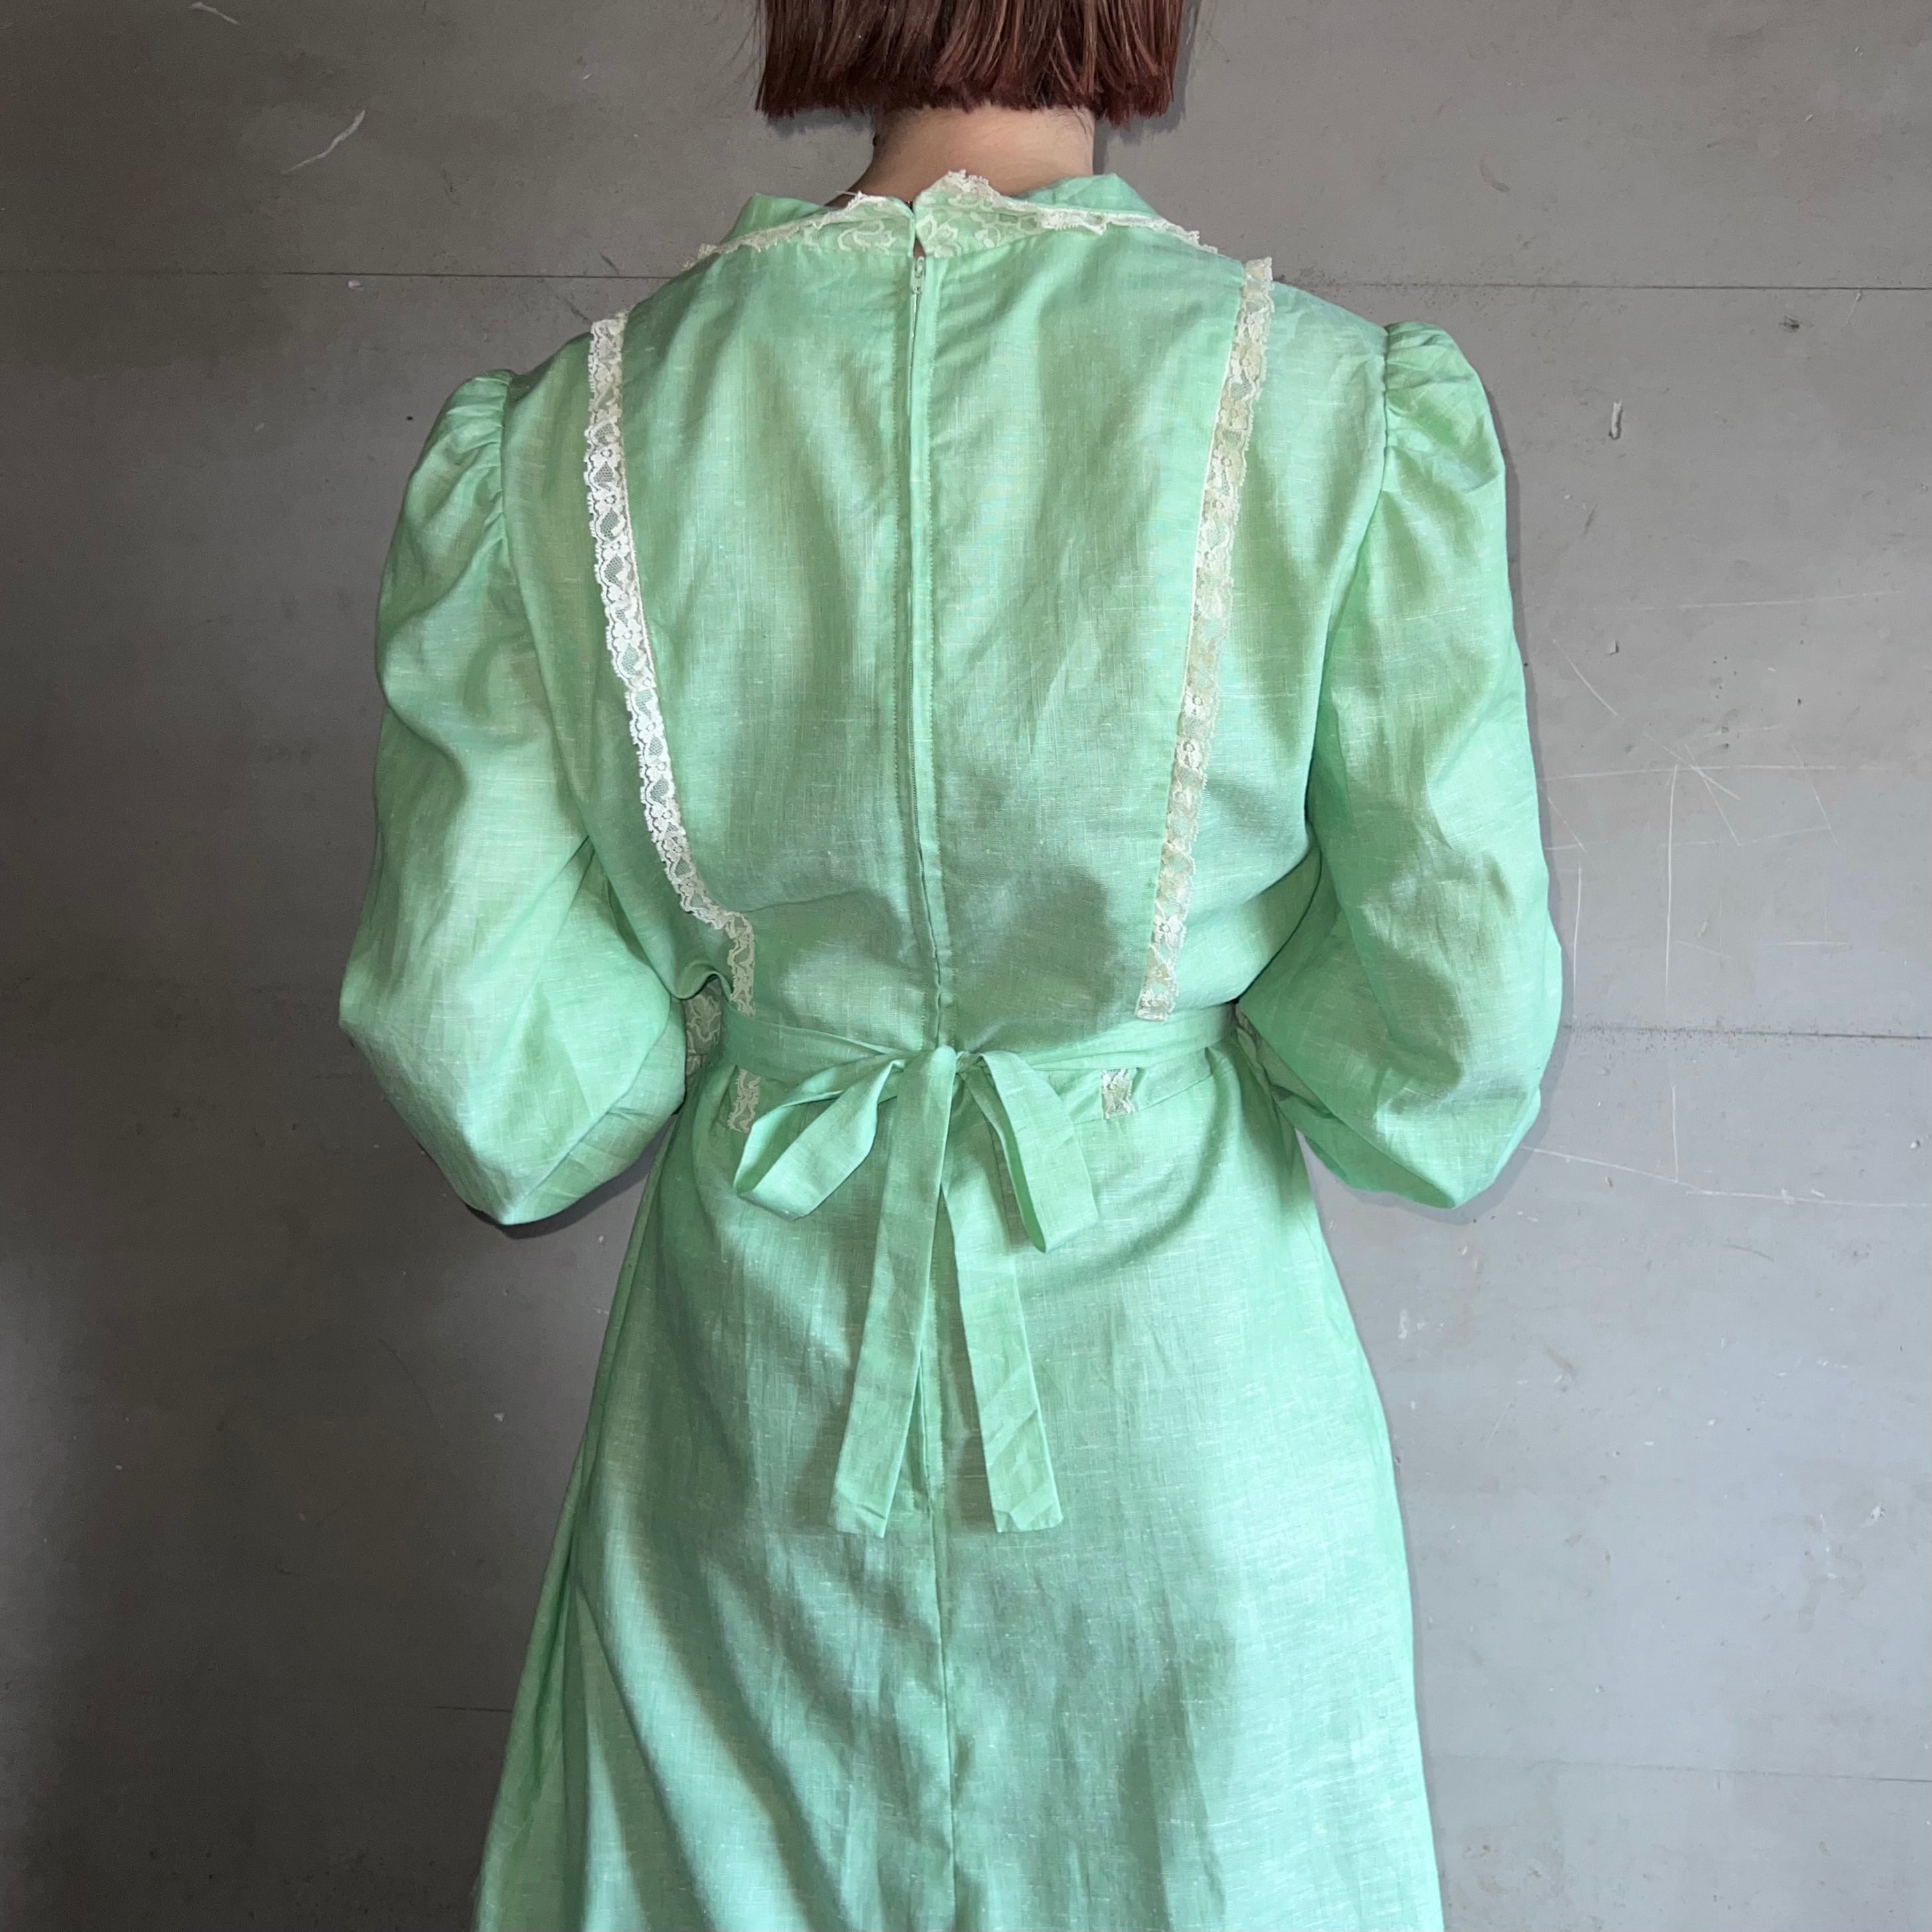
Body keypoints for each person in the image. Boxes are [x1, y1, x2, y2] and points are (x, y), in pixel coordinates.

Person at [338, 1, 1563, 1925]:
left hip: (754, 1422)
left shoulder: (573, 432)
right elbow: (1448, 1038)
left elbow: (494, 1069)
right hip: (1184, 1424)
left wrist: (737, 1016)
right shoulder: (1339, 411)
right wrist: (1192, 1038)